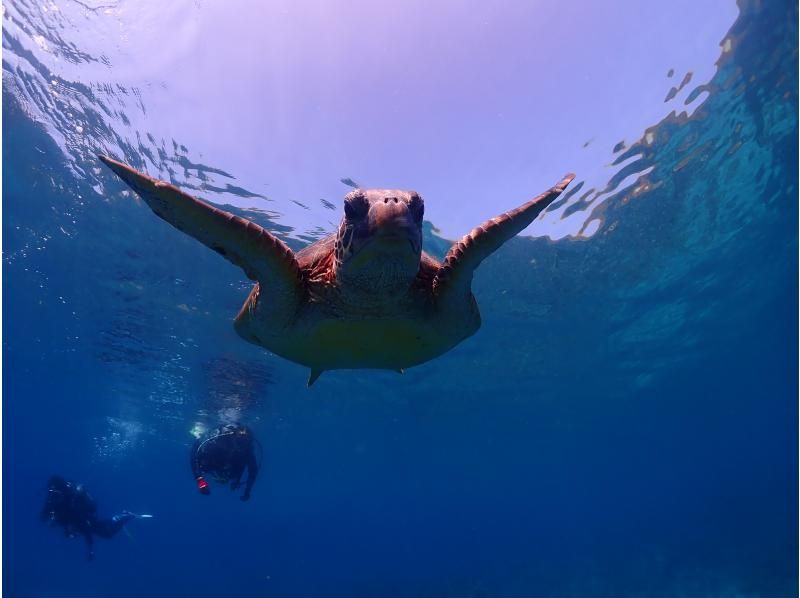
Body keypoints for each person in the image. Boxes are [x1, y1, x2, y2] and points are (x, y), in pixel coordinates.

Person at [41, 475, 148, 560]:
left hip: (87, 519)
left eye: (56, 493)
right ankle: (123, 516)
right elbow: (44, 517)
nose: (55, 496)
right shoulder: (55, 503)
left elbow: (85, 527)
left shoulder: (71, 500)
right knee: (106, 532)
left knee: (107, 533)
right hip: (83, 522)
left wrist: (90, 550)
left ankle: (125, 516)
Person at [191, 423, 259, 501]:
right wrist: (200, 482)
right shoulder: (219, 443)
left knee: (234, 472)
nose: (242, 446)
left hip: (230, 468)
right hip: (216, 461)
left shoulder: (247, 450)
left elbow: (253, 471)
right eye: (241, 441)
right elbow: (195, 456)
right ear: (235, 438)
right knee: (205, 466)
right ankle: (197, 435)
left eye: (246, 443)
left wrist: (247, 490)